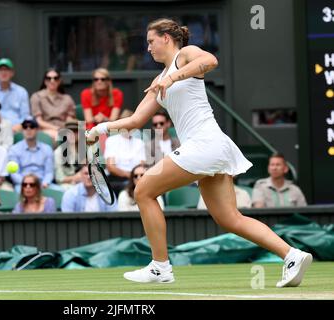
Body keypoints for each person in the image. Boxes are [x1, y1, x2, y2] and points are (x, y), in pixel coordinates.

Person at [86, 18, 312, 287]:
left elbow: (210, 61)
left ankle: (160, 267)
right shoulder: (159, 81)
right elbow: (135, 121)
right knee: (229, 219)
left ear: (166, 38)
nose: (148, 48)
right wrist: (98, 129)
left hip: (204, 145)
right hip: (210, 149)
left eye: (150, 41)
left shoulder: (185, 55)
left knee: (143, 190)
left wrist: (172, 77)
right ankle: (291, 255)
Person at [104, 110, 146, 195]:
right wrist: (130, 175)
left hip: (135, 179)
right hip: (116, 180)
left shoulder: (140, 143)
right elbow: (111, 167)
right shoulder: (111, 140)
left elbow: (141, 165)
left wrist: (133, 177)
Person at [0, 58, 30, 132]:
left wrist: (19, 126)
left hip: (17, 129)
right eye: (0, 70)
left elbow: (26, 116)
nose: (3, 73)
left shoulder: (21, 91)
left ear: (12, 73)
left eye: (7, 70)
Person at [7, 117, 54, 192]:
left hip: (43, 184)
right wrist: (28, 183)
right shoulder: (14, 149)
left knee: (60, 192)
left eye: (32, 126)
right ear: (22, 130)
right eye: (25, 127)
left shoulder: (47, 149)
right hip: (23, 184)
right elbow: (14, 174)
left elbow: (49, 172)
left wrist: (45, 183)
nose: (28, 129)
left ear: (37, 129)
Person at [30, 68, 76, 141]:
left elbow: (69, 119)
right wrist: (56, 128)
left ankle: (82, 152)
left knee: (80, 135)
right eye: (49, 78)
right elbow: (39, 121)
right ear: (45, 81)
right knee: (61, 137)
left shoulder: (67, 98)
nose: (52, 81)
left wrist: (71, 129)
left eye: (55, 78)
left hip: (64, 129)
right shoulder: (36, 97)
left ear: (59, 81)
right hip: (45, 130)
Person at [54, 119, 83, 190]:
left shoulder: (85, 149)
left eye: (75, 131)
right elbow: (59, 178)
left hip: (84, 182)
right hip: (66, 185)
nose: (72, 134)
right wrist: (76, 177)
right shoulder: (58, 152)